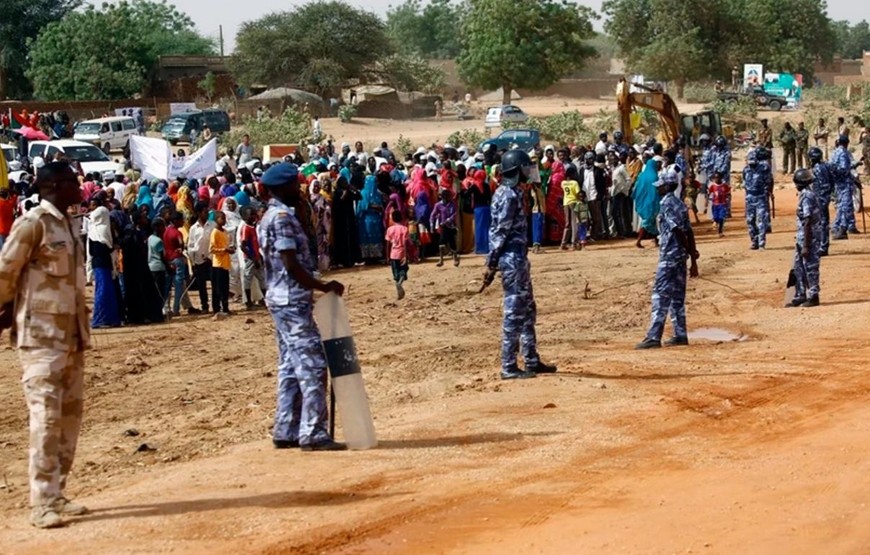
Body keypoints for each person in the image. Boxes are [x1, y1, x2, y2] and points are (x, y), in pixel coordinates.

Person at [0, 162, 91, 528]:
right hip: (40, 338)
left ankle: (58, 493)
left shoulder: (67, 224)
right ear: (53, 185)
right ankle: (41, 503)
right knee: (46, 418)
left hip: (71, 336)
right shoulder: (33, 223)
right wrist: (5, 309)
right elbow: (6, 271)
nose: (78, 187)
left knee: (69, 419)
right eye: (72, 181)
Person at [257, 162, 346, 451]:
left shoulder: (269, 216)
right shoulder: (282, 218)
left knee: (290, 366)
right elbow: (291, 264)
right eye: (294, 185)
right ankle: (313, 432)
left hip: (281, 298)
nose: (300, 189)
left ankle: (286, 428)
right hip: (291, 299)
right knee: (313, 364)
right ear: (280, 188)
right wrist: (324, 287)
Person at [484, 149, 556, 380]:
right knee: (514, 312)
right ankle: (508, 366)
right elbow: (499, 231)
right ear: (516, 169)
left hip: (518, 259)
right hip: (511, 259)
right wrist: (491, 263)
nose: (529, 171)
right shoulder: (508, 195)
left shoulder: (513, 192)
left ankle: (531, 360)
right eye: (525, 167)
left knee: (527, 310)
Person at [636, 170, 699, 349]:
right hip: (680, 258)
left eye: (660, 185)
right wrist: (692, 257)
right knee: (677, 297)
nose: (658, 189)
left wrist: (689, 251)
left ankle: (654, 336)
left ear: (666, 186)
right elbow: (689, 231)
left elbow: (678, 231)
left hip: (670, 256)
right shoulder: (680, 204)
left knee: (660, 295)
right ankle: (680, 334)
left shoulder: (666, 204)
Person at [787, 169, 822, 308]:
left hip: (809, 238)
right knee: (798, 267)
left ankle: (813, 296)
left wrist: (806, 245)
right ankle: (800, 294)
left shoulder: (807, 196)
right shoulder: (804, 194)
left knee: (810, 266)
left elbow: (807, 221)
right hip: (802, 237)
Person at [88, 201, 122, 328]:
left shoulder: (94, 231)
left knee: (105, 291)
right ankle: (100, 319)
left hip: (101, 264)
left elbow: (91, 251)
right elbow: (101, 249)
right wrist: (112, 248)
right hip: (102, 264)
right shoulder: (101, 231)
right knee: (103, 291)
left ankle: (110, 319)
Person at [188, 203, 215, 312]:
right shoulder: (194, 228)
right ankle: (204, 305)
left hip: (211, 259)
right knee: (201, 285)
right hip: (199, 260)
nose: (207, 214)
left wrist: (211, 256)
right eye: (205, 212)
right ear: (199, 213)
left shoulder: (212, 225)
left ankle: (216, 305)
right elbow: (191, 246)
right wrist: (193, 262)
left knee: (214, 283)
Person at [239, 206, 267, 308]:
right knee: (248, 279)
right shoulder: (246, 228)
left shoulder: (253, 227)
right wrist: (253, 257)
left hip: (256, 257)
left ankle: (265, 300)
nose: (253, 216)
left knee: (262, 278)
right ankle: (248, 302)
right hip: (250, 258)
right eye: (251, 214)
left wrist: (259, 256)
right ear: (246, 216)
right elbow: (243, 246)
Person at [830, 135, 857, 239]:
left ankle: (836, 226)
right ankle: (842, 229)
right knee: (845, 206)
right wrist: (853, 169)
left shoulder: (835, 153)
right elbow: (844, 169)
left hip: (837, 183)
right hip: (844, 183)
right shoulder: (843, 153)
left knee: (841, 205)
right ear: (846, 143)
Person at [809, 147, 834, 256]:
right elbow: (832, 180)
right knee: (823, 222)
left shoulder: (816, 169)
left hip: (819, 197)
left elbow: (813, 184)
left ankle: (822, 246)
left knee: (821, 223)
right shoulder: (825, 166)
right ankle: (823, 245)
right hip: (825, 196)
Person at [743, 150, 770, 250]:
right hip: (749, 198)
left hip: (760, 197)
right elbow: (745, 182)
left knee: (761, 220)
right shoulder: (746, 170)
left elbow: (768, 181)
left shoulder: (763, 169)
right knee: (750, 220)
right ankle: (754, 241)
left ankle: (762, 243)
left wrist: (768, 192)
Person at [633, 155, 661, 248]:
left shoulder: (641, 176)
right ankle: (638, 241)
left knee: (650, 222)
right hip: (651, 202)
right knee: (646, 222)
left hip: (642, 202)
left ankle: (656, 240)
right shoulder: (655, 177)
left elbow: (636, 188)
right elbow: (656, 190)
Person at [209, 211, 233, 315]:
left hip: (225, 263)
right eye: (222, 218)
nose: (224, 220)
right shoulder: (215, 232)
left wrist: (230, 249)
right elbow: (212, 249)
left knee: (225, 287)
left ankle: (225, 307)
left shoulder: (224, 232)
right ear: (216, 219)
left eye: (224, 218)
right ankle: (216, 308)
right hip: (218, 264)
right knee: (217, 288)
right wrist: (224, 250)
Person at [431, 188, 460, 267]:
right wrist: (431, 224)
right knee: (441, 243)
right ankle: (441, 259)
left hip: (451, 226)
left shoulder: (452, 204)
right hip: (443, 227)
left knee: (452, 243)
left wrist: (448, 220)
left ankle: (455, 258)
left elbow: (454, 214)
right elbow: (433, 215)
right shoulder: (438, 205)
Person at [385, 209, 410, 299]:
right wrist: (406, 255)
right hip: (402, 254)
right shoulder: (404, 229)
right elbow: (405, 243)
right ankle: (400, 284)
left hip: (393, 254)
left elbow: (388, 244)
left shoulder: (389, 229)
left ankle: (398, 290)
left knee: (396, 273)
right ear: (401, 218)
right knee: (403, 270)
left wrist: (387, 256)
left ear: (393, 219)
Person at [147, 218, 168, 312]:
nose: (164, 228)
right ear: (157, 227)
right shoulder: (159, 241)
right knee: (160, 291)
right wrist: (169, 267)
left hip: (151, 267)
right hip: (159, 267)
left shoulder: (150, 238)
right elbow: (162, 257)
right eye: (163, 226)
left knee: (154, 291)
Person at [560, 164, 581, 250]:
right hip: (573, 202)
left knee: (567, 223)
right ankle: (574, 243)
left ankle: (563, 243)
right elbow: (578, 193)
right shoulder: (574, 183)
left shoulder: (563, 183)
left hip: (566, 203)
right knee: (575, 223)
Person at [708, 172, 729, 237]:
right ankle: (715, 222)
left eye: (718, 178)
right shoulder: (712, 186)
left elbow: (728, 193)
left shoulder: (724, 185)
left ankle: (720, 231)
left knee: (721, 218)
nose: (717, 179)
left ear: (721, 178)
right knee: (716, 217)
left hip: (722, 204)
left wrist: (728, 198)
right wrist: (707, 201)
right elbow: (708, 193)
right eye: (715, 178)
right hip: (715, 204)